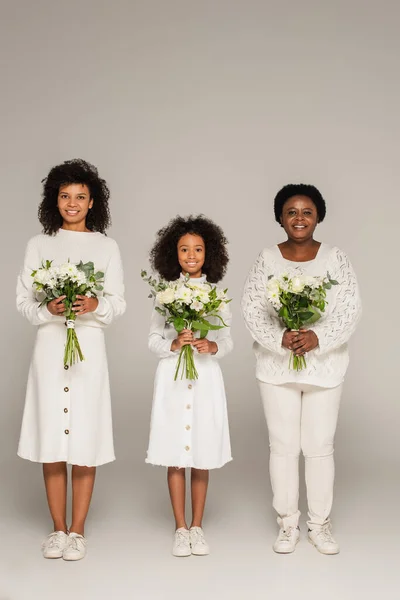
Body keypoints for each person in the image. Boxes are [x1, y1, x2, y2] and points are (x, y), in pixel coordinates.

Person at [242, 184, 361, 555]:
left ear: (318, 216)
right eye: (291, 211)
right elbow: (252, 307)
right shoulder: (266, 258)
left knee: (319, 447)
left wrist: (316, 337)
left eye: (306, 211)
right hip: (277, 368)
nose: (299, 218)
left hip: (324, 367)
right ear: (280, 217)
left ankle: (320, 525)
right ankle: (288, 523)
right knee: (283, 447)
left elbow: (349, 308)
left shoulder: (335, 259)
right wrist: (281, 339)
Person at [16, 159, 126, 561]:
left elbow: (117, 303)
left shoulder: (106, 247)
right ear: (55, 200)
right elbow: (24, 302)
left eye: (80, 196)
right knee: (52, 437)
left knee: (84, 435)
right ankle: (57, 529)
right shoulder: (38, 245)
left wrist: (94, 304)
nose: (73, 203)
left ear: (93, 201)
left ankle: (78, 530)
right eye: (65, 196)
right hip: (49, 347)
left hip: (89, 348)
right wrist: (51, 310)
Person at [146, 215, 232, 557]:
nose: (191, 255)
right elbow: (152, 339)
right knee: (175, 454)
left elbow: (226, 341)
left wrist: (211, 346)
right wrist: (173, 344)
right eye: (184, 249)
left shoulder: (216, 295)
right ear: (174, 254)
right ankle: (180, 527)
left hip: (205, 378)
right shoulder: (165, 295)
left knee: (201, 454)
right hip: (174, 379)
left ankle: (198, 525)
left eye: (198, 249)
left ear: (208, 253)